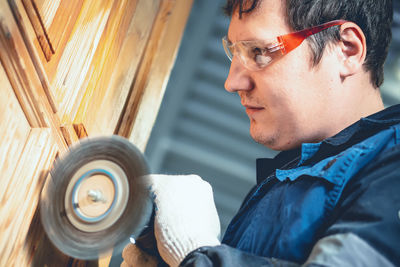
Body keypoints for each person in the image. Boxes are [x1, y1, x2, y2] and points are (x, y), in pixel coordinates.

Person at [122, 0, 399, 266]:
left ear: (347, 49)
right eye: (235, 51)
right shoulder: (291, 178)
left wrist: (195, 251)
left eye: (259, 52)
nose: (232, 82)